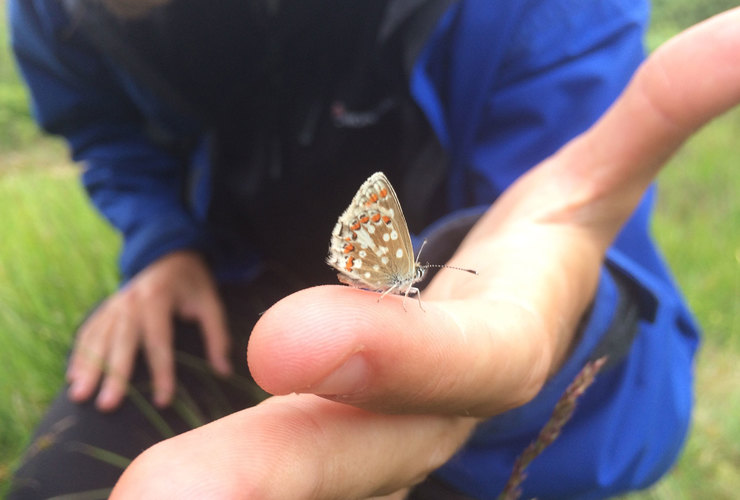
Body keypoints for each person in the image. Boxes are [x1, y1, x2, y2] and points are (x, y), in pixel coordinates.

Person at [9, 0, 739, 498]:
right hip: (225, 283)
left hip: (464, 352)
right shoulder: (54, 16)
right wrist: (163, 244)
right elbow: (105, 134)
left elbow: (636, 356)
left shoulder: (543, 20)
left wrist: (551, 339)